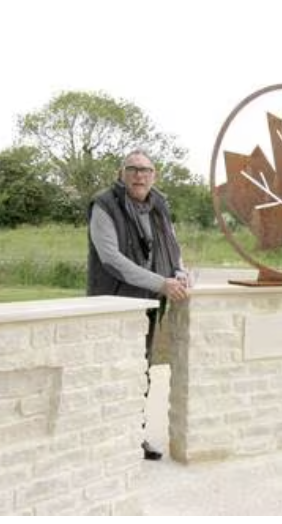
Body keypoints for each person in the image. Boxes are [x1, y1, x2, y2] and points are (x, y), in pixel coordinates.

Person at [87, 149, 191, 461]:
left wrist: (180, 272)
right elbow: (111, 259)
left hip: (147, 302)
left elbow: (172, 247)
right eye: (132, 169)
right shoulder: (105, 204)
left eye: (145, 170)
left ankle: (134, 437)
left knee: (140, 370)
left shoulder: (159, 205)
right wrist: (161, 283)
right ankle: (102, 441)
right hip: (114, 302)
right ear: (122, 173)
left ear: (153, 175)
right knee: (109, 371)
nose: (139, 175)